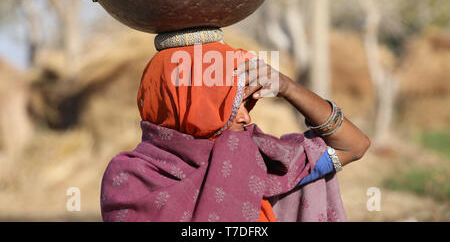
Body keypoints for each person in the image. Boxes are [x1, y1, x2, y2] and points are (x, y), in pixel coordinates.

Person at [100, 33, 370, 222]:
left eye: (247, 105)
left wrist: (288, 87)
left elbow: (354, 145)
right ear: (190, 106)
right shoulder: (128, 179)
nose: (246, 118)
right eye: (230, 104)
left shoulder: (264, 163)